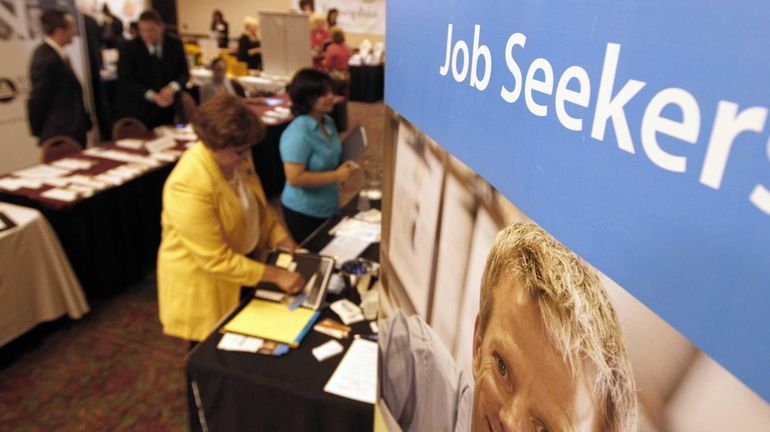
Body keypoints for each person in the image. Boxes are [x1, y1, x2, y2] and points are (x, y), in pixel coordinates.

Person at [380, 223, 638, 432]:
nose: (510, 421)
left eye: (544, 430)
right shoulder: (415, 364)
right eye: (503, 368)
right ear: (479, 343)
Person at [157, 93, 305, 343]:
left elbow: (258, 208)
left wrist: (280, 238)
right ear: (214, 145)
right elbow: (215, 260)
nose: (247, 157)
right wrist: (276, 274)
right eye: (240, 151)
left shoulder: (236, 159)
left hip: (245, 267)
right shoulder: (189, 184)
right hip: (207, 286)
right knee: (214, 354)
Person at [279, 68, 358, 242]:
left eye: (330, 91)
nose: (331, 96)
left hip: (328, 202)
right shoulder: (298, 132)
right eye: (323, 94)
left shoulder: (327, 121)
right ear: (307, 98)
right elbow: (295, 178)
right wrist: (336, 176)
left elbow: (331, 155)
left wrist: (342, 169)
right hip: (304, 210)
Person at [27, 8, 91, 147]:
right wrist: (41, 132)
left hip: (72, 130)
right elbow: (38, 99)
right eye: (71, 27)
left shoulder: (58, 53)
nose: (74, 32)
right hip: (60, 133)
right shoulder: (44, 58)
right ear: (59, 31)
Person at [116, 10, 189, 129]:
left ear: (161, 27)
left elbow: (184, 74)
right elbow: (126, 81)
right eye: (142, 30)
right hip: (141, 109)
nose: (147, 34)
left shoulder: (175, 44)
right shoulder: (128, 48)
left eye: (151, 30)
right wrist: (152, 96)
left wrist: (172, 88)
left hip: (170, 108)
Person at [322, 26, 351, 96]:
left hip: (334, 77)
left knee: (334, 98)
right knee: (343, 98)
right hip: (346, 75)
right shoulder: (347, 48)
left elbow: (328, 64)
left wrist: (322, 62)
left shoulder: (331, 48)